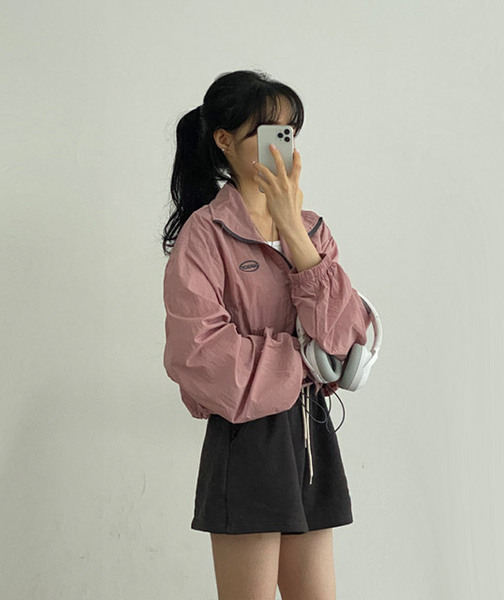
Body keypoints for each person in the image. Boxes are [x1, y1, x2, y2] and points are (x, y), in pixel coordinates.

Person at [161, 69, 371, 600]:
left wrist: (292, 228)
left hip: (312, 433)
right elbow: (201, 359)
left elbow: (346, 341)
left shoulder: (313, 230)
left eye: (289, 131)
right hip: (246, 438)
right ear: (224, 140)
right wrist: (307, 359)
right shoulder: (204, 236)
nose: (282, 143)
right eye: (266, 131)